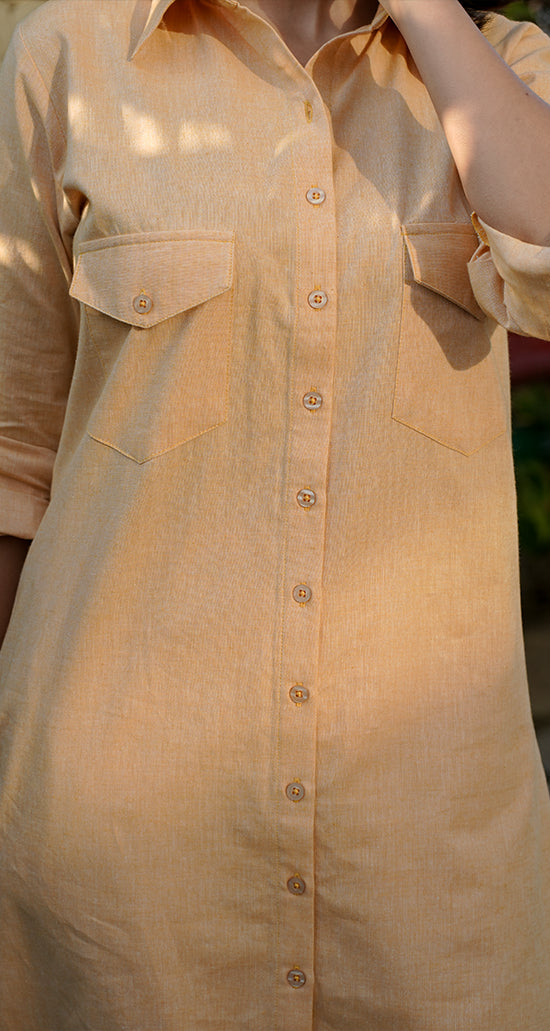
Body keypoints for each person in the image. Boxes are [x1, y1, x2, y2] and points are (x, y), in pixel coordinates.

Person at [1, 0, 549, 1027]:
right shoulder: (68, 54)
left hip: (423, 866)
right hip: (123, 869)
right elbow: (10, 455)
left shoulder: (507, 72)